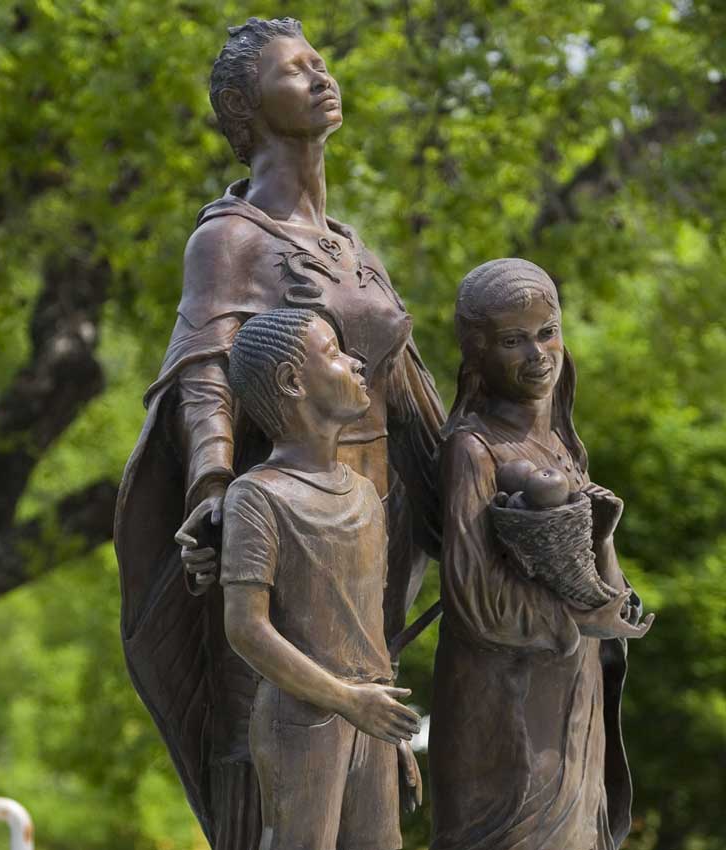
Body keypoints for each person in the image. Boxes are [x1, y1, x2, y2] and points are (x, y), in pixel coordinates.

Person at [114, 17, 440, 848]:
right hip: (287, 515)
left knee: (365, 754)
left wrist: (476, 474)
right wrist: (214, 490)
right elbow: (203, 372)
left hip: (373, 517)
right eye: (294, 72)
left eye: (321, 64)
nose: (320, 78)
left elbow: (410, 387)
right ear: (242, 106)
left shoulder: (350, 245)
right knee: (281, 751)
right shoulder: (229, 238)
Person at [428, 259, 653, 850]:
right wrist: (579, 619)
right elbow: (475, 600)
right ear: (477, 354)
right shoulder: (473, 450)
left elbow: (593, 585)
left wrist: (603, 540)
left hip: (571, 697)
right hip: (505, 711)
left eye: (547, 331)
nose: (538, 354)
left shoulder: (561, 442)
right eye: (513, 340)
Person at [220, 308, 419, 850]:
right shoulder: (258, 496)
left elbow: (369, 627)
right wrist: (344, 698)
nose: (357, 364)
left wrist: (387, 721)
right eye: (333, 352)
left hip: (371, 719)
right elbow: (245, 629)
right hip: (301, 719)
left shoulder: (365, 496)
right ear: (292, 381)